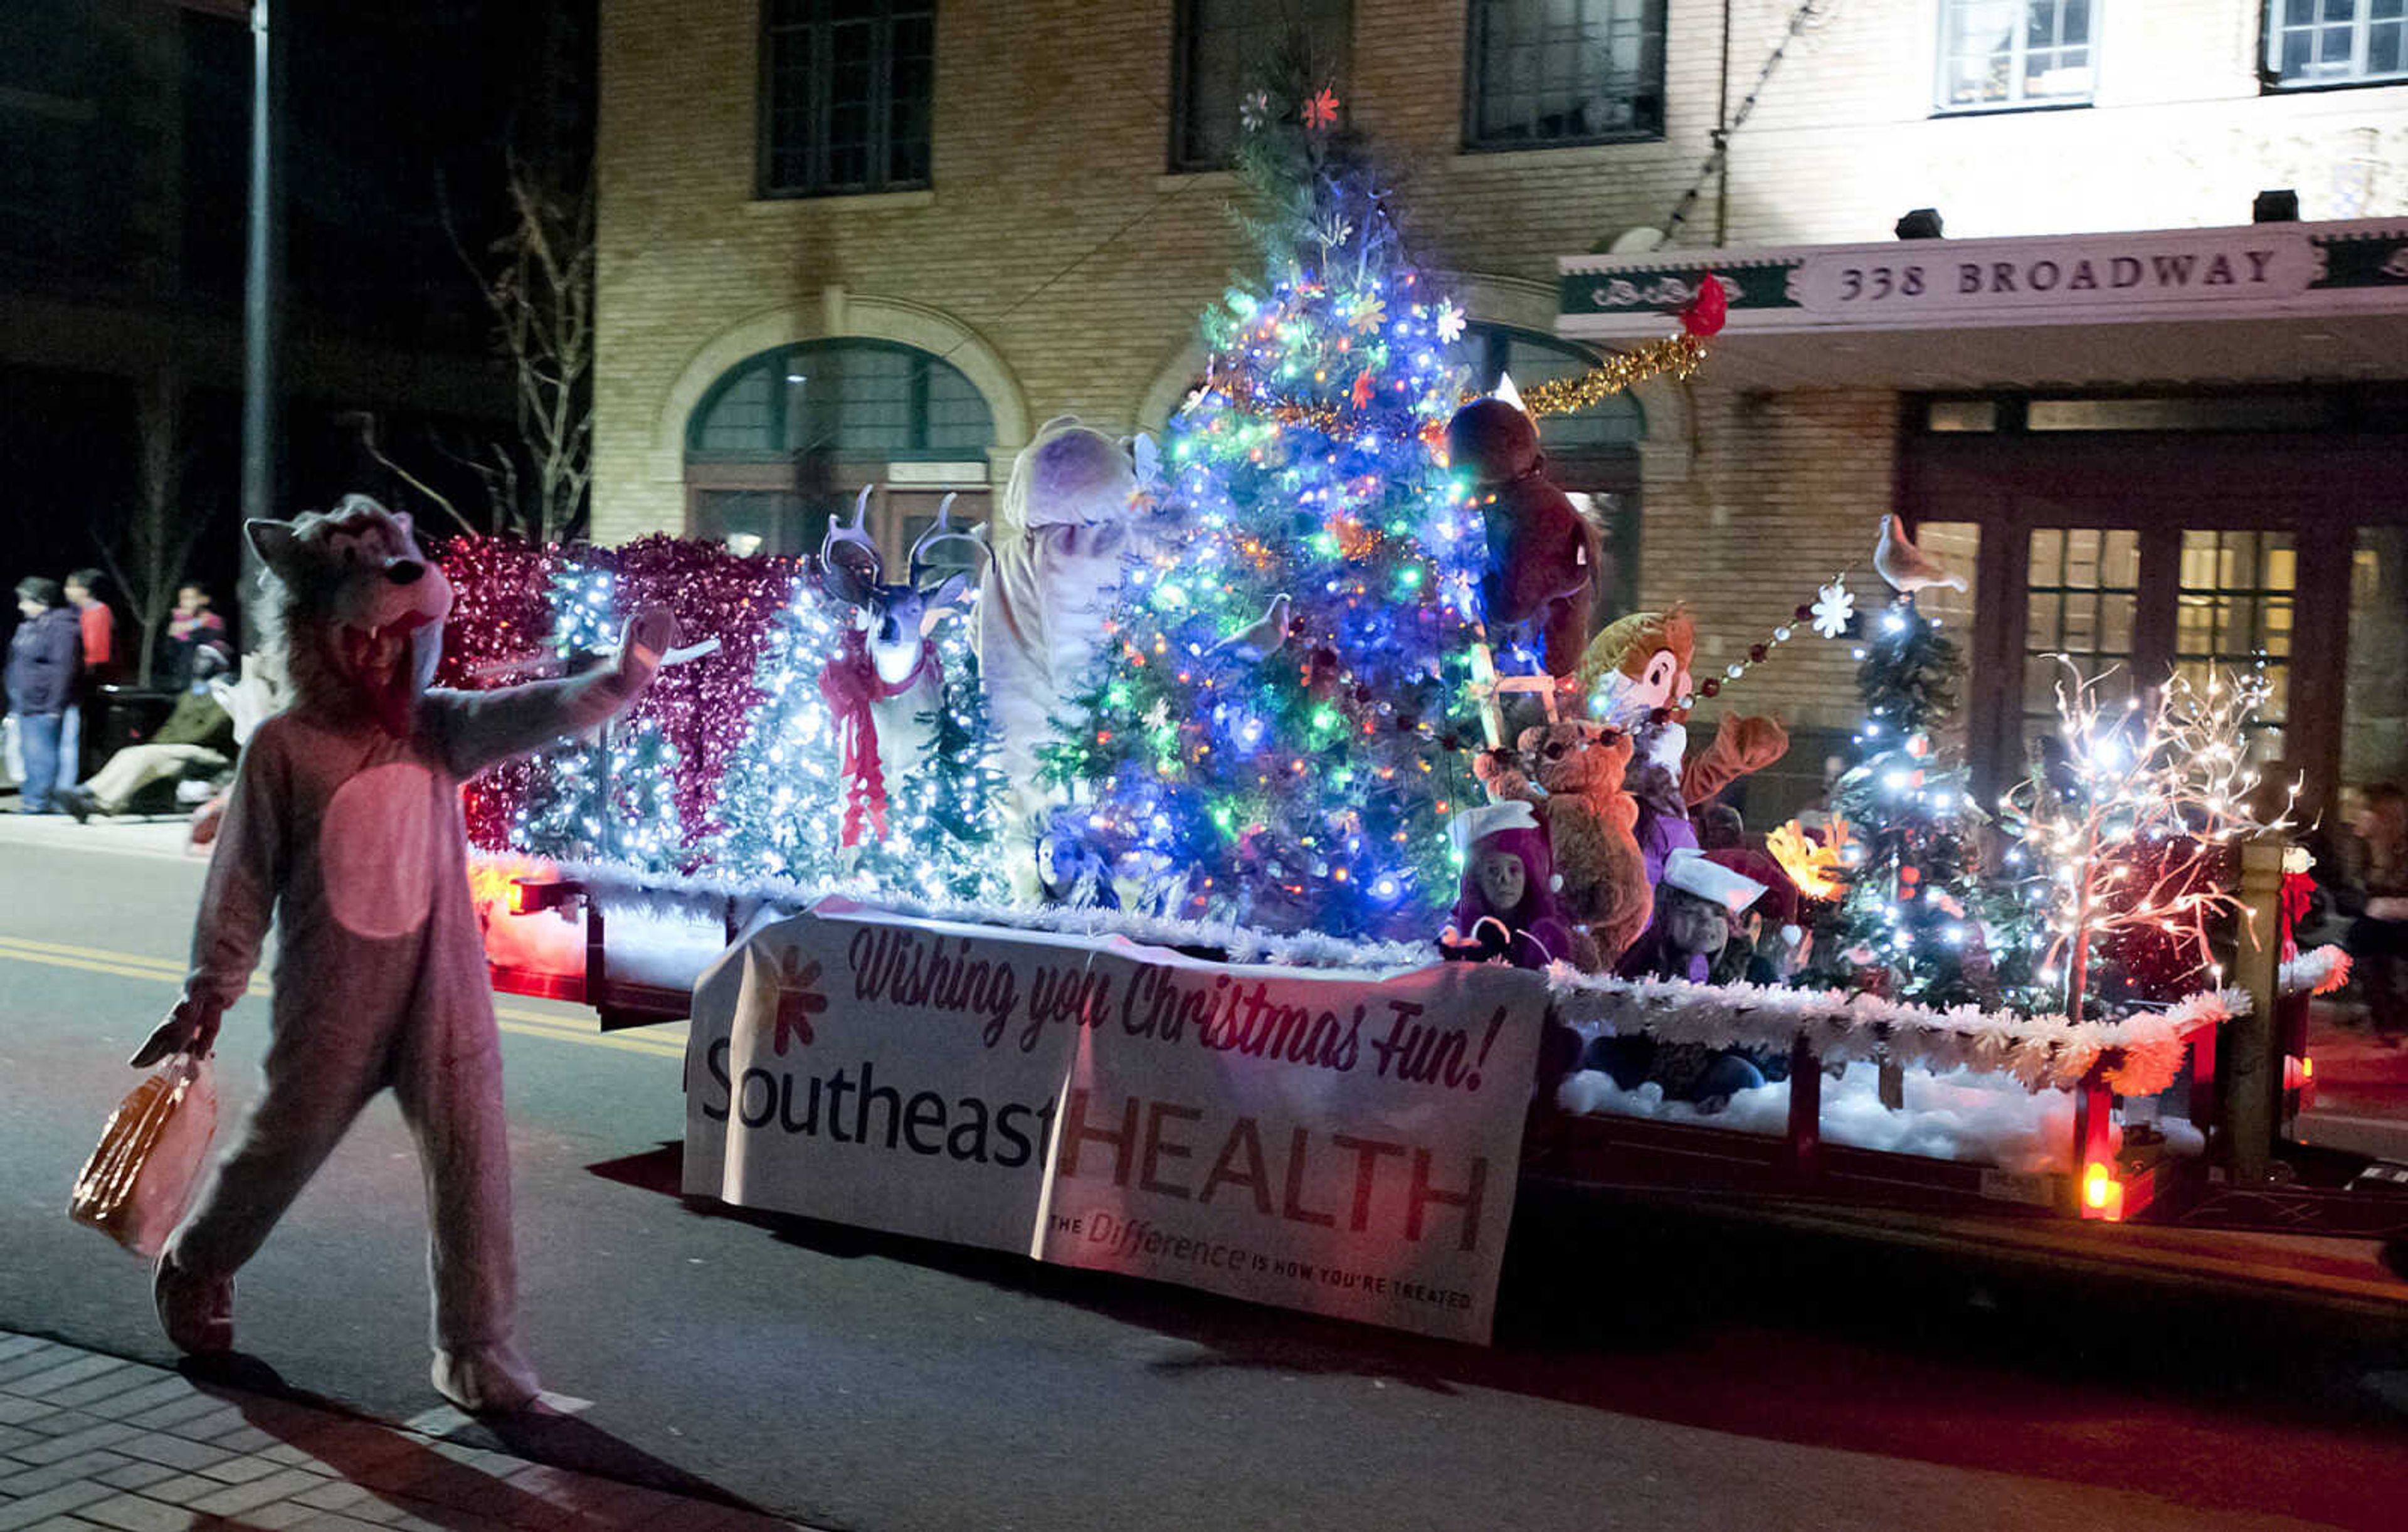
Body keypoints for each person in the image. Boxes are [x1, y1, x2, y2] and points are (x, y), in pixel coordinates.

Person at [55, 641, 238, 821]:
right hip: (179, 748)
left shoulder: (224, 694)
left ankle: (91, 794)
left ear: (219, 666)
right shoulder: (191, 693)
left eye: (207, 659)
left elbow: (207, 733)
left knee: (147, 756)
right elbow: (172, 726)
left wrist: (165, 744)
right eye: (198, 657)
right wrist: (157, 743)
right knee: (132, 754)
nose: (199, 662)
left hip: (209, 752)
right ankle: (95, 802)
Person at [2337, 783, 2408, 1043]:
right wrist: (2379, 855)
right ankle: (2387, 1018)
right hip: (2370, 922)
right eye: (2386, 816)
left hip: (2402, 920)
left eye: (2398, 817)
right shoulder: (2355, 847)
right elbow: (2346, 892)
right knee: (2364, 936)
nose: (2394, 824)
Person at [6, 576, 85, 813]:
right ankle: (32, 797)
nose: (21, 607)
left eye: (26, 601)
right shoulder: (29, 626)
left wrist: (53, 704)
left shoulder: (60, 628)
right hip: (25, 701)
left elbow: (64, 668)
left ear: (42, 601)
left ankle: (37, 801)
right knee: (29, 753)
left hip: (43, 703)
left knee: (41, 754)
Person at [60, 569, 114, 782]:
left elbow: (97, 653)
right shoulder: (79, 612)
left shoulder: (98, 612)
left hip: (89, 683)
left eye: (70, 585)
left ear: (84, 590)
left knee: (88, 735)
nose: (66, 590)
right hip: (79, 681)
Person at [165, 583, 229, 691]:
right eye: (183, 599)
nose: (185, 602)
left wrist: (182, 627)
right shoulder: (179, 615)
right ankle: (187, 684)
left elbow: (197, 624)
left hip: (210, 651)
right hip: (190, 657)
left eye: (190, 598)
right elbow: (172, 631)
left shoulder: (207, 616)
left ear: (202, 600)